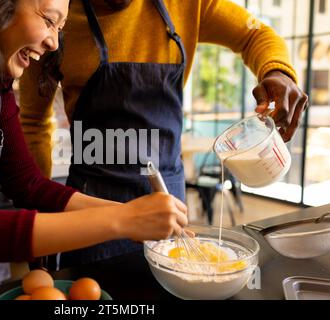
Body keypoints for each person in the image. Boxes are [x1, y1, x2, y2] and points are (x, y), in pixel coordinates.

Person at [0, 0, 189, 300]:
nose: (54, 42)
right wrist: (124, 220)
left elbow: (28, 184)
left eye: (61, 27)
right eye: (48, 19)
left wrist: (124, 213)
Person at [19, 0, 308, 268]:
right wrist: (36, 219)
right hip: (89, 208)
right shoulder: (54, 17)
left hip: (167, 200)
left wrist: (278, 72)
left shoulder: (187, 5)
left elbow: (255, 34)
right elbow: (33, 122)